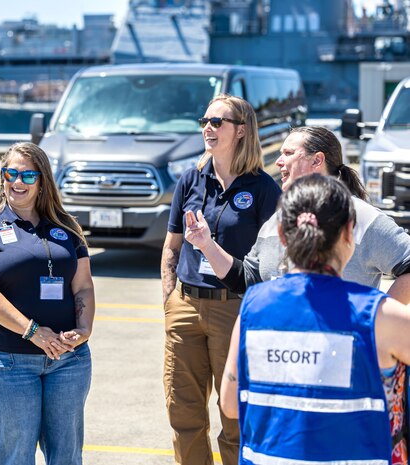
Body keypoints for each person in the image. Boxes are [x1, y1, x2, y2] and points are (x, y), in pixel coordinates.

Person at [221, 174, 410, 465]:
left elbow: (231, 403)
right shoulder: (382, 317)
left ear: (283, 237)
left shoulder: (253, 308)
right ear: (349, 234)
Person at [160, 94, 281, 465]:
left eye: (218, 122)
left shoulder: (263, 189)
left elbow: (273, 263)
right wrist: (170, 300)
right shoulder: (191, 180)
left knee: (235, 414)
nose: (208, 128)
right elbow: (171, 249)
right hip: (185, 305)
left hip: (235, 309)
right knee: (183, 410)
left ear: (241, 131)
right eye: (205, 121)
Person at [0, 142, 95, 465]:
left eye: (27, 175)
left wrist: (83, 330)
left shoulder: (67, 227)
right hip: (9, 362)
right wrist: (34, 331)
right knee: (15, 457)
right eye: (10, 173)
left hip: (67, 361)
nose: (17, 182)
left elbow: (83, 287)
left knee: (67, 456)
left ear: (42, 181)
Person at [184, 126, 410, 301]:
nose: (279, 161)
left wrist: (373, 321)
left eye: (288, 153)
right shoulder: (278, 219)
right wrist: (207, 245)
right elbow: (248, 281)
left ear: (317, 160)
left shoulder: (362, 217)